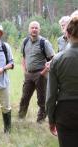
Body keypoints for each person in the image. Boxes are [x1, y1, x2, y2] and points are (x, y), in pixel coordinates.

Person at [46, 16, 78, 147]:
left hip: (65, 112)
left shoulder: (58, 59)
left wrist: (51, 119)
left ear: (67, 33)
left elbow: (51, 95)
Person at [18, 21, 55, 123]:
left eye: (36, 28)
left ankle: (40, 121)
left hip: (41, 75)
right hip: (28, 74)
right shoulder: (25, 42)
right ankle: (21, 118)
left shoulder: (44, 43)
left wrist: (43, 72)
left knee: (42, 100)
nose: (34, 29)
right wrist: (25, 71)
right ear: (29, 29)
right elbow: (24, 57)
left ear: (39, 30)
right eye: (32, 28)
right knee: (24, 98)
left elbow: (53, 59)